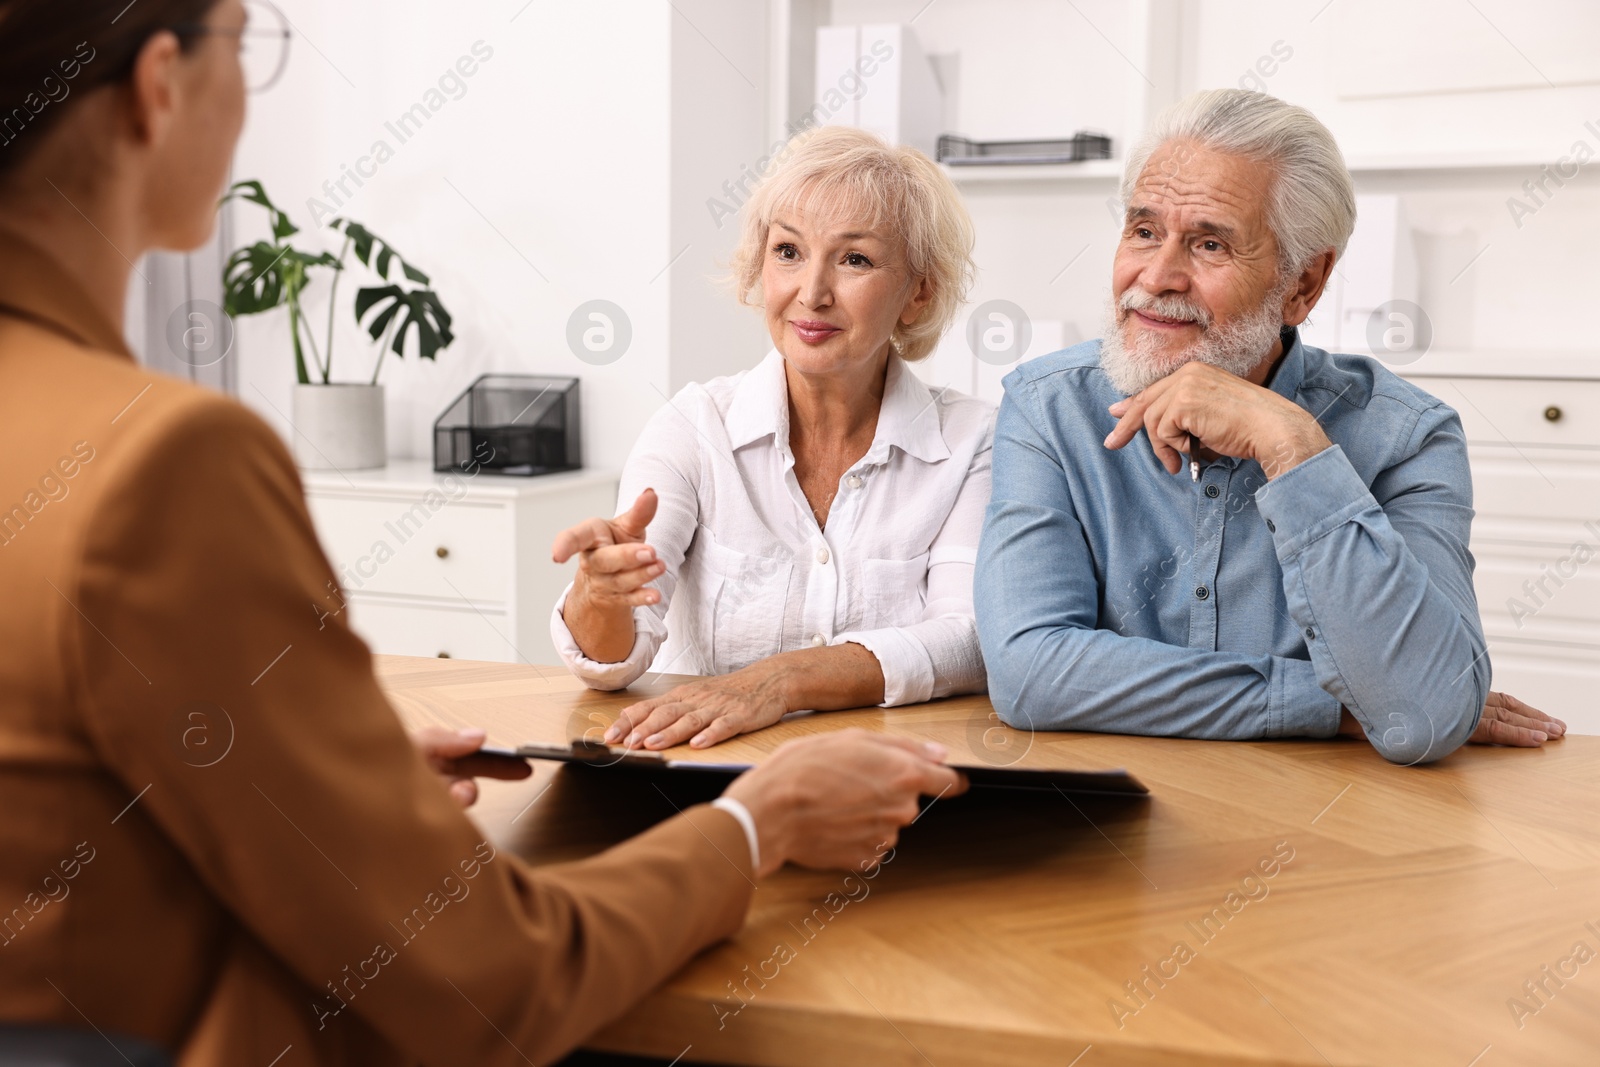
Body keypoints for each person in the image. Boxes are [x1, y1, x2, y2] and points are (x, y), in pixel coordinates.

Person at [0, 2, 966, 1063]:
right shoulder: (163, 460)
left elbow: (62, 797)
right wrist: (759, 821)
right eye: (248, 39)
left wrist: (310, 779)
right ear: (159, 87)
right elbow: (493, 979)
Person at [974, 88, 1565, 765]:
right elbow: (1028, 674)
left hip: (1340, 840)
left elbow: (1421, 716)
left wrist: (1294, 448)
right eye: (1142, 231)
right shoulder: (1048, 409)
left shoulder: (1409, 437)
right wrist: (1331, 703)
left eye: (1209, 244)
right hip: (1111, 832)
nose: (1157, 276)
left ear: (1303, 285)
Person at [551, 126, 994, 751]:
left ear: (917, 293)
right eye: (788, 251)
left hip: (895, 789)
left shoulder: (975, 442)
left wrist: (779, 682)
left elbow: (970, 640)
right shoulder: (692, 429)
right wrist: (600, 595)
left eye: (854, 259)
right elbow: (614, 662)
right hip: (710, 789)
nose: (810, 293)